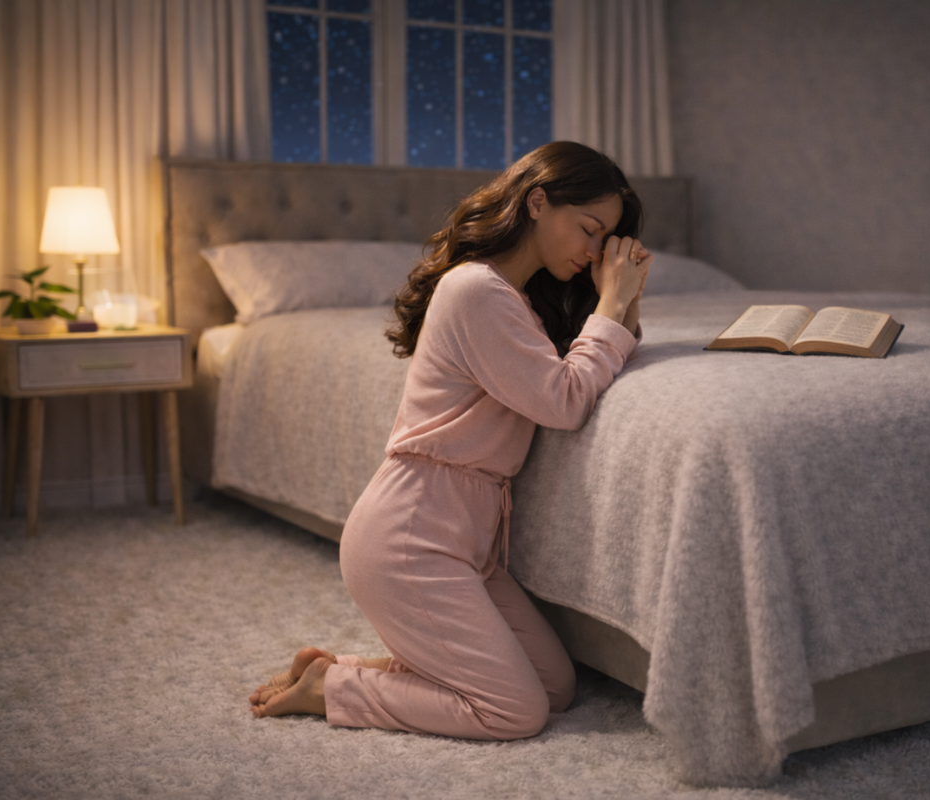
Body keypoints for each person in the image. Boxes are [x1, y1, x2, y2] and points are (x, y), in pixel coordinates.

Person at [248, 141, 654, 741]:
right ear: (537, 202)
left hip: (466, 541)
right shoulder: (475, 290)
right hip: (408, 537)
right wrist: (612, 303)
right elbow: (565, 400)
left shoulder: (520, 306)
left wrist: (621, 295)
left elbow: (590, 362)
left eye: (605, 241)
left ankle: (336, 669)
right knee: (515, 712)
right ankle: (333, 690)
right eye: (589, 230)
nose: (594, 250)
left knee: (553, 687)